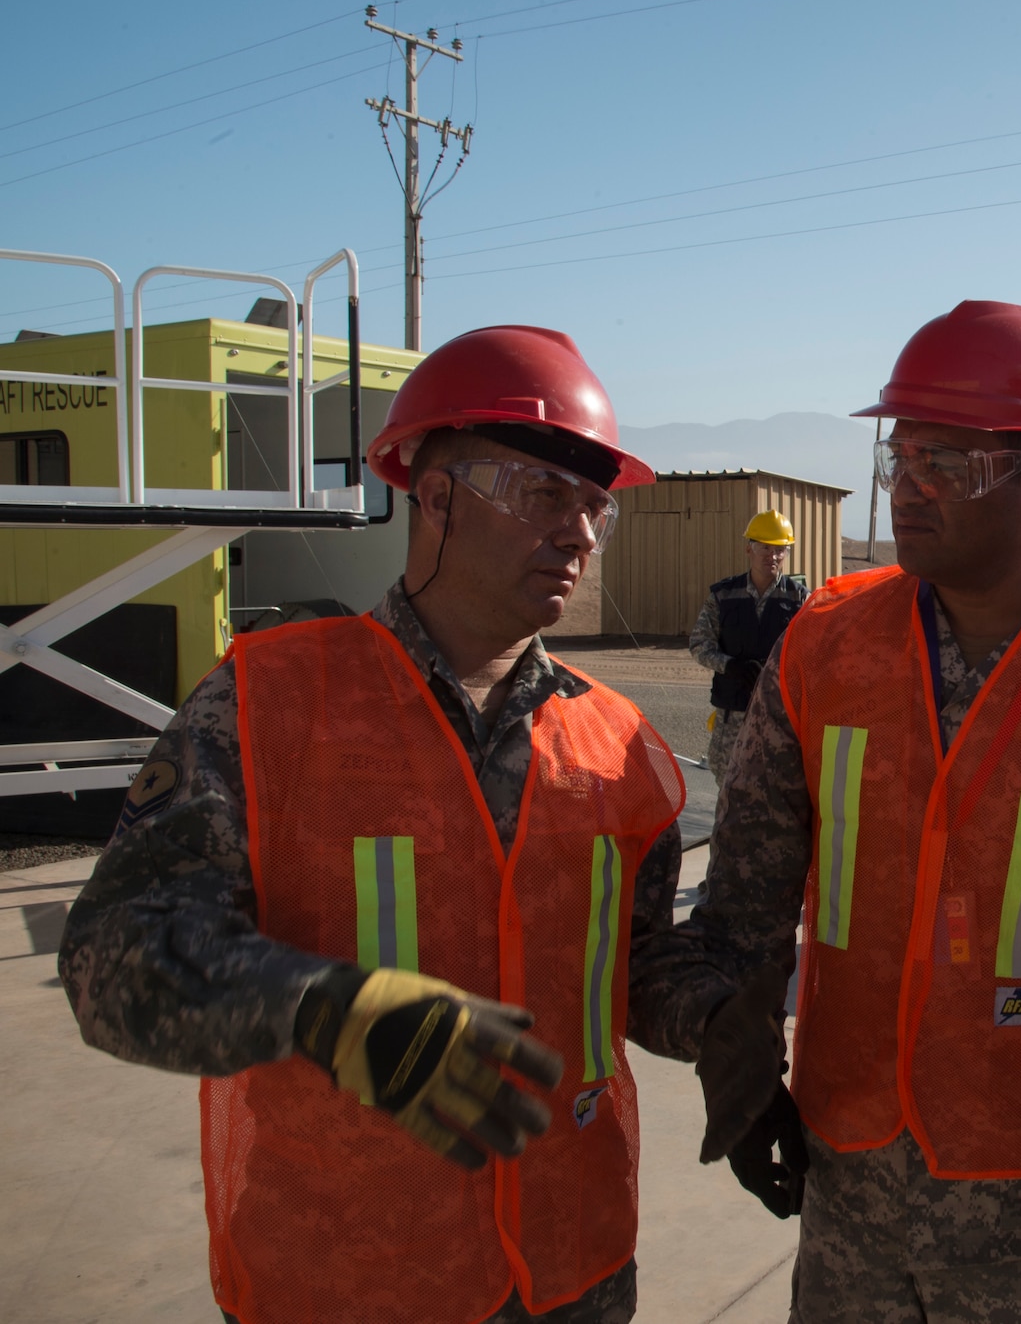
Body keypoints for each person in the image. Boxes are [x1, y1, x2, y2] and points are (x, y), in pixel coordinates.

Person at [629, 300, 1021, 1323]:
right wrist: (737, 1068)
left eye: (947, 464)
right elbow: (740, 911)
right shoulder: (824, 652)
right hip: (852, 1186)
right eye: (900, 457)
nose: (909, 490)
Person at [59, 326, 687, 1324]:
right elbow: (111, 963)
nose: (576, 533)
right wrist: (326, 1008)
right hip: (346, 1278)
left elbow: (635, 969)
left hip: (573, 1272)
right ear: (434, 497)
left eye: (592, 509)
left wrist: (725, 1012)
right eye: (541, 496)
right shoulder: (265, 702)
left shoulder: (615, 738)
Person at [689, 510, 810, 796]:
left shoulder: (799, 598)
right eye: (765, 548)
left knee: (776, 785)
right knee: (728, 782)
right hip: (732, 712)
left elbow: (810, 653)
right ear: (749, 549)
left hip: (778, 712)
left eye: (780, 550)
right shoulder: (724, 595)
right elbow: (699, 645)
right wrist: (731, 666)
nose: (773, 556)